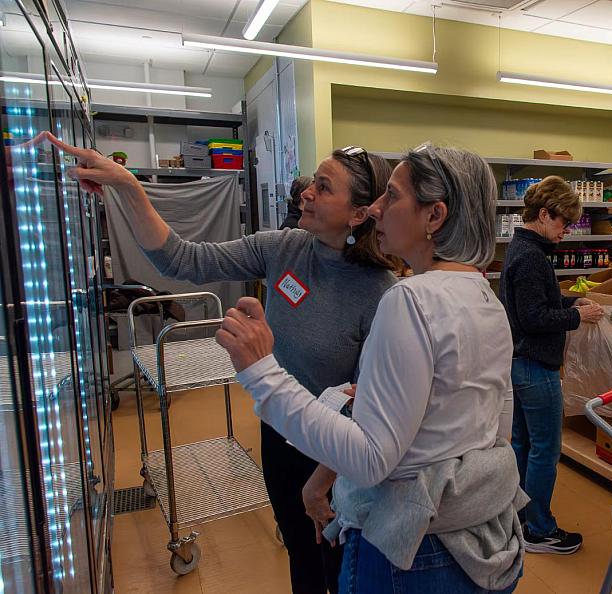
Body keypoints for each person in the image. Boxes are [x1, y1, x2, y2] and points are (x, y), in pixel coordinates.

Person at [39, 132, 397, 594]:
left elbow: (365, 405)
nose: (307, 191)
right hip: (278, 435)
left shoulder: (381, 293)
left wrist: (321, 482)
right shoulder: (284, 248)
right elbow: (180, 258)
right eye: (314, 180)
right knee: (299, 551)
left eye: (324, 187)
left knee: (335, 560)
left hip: (333, 454)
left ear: (358, 213)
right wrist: (128, 187)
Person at [214, 144, 527, 594]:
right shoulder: (483, 299)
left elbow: (371, 459)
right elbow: (491, 423)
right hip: (476, 540)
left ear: (434, 216)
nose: (376, 209)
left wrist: (262, 370)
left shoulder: (409, 300)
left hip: (407, 551)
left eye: (393, 197)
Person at [498, 175, 605, 555]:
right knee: (546, 448)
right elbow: (533, 318)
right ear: (544, 214)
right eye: (563, 223)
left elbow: (539, 301)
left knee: (524, 444)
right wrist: (578, 317)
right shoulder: (530, 257)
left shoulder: (524, 248)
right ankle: (540, 530)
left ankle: (522, 518)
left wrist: (569, 302)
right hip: (535, 366)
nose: (566, 232)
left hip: (520, 362)